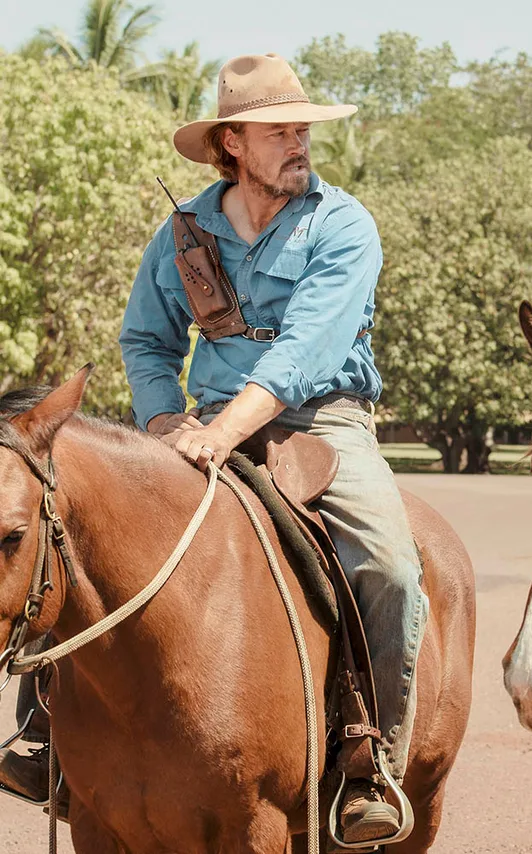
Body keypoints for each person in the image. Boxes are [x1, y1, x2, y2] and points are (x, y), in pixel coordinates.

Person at [0, 53, 427, 846]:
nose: (299, 142)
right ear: (232, 142)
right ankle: (43, 733)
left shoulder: (344, 225)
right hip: (198, 425)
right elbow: (145, 340)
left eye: (303, 128)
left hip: (322, 422)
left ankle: (370, 759)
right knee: (80, 530)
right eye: (279, 131)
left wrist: (222, 435)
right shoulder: (185, 231)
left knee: (391, 566)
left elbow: (305, 350)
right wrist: (165, 427)